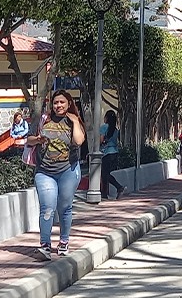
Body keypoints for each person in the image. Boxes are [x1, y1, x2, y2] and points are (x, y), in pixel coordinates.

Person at [26, 89, 86, 260]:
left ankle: (64, 242)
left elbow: (79, 141)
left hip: (68, 170)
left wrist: (74, 121)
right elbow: (28, 139)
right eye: (55, 102)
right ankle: (45, 246)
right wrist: (37, 140)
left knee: (65, 208)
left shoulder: (73, 120)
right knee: (47, 208)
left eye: (62, 102)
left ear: (68, 104)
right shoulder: (44, 119)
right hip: (44, 171)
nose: (58, 105)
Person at [99, 110, 126, 199]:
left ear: (106, 118)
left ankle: (119, 187)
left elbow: (101, 140)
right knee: (106, 174)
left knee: (104, 174)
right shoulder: (115, 130)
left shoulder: (104, 127)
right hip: (115, 152)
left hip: (107, 153)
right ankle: (104, 194)